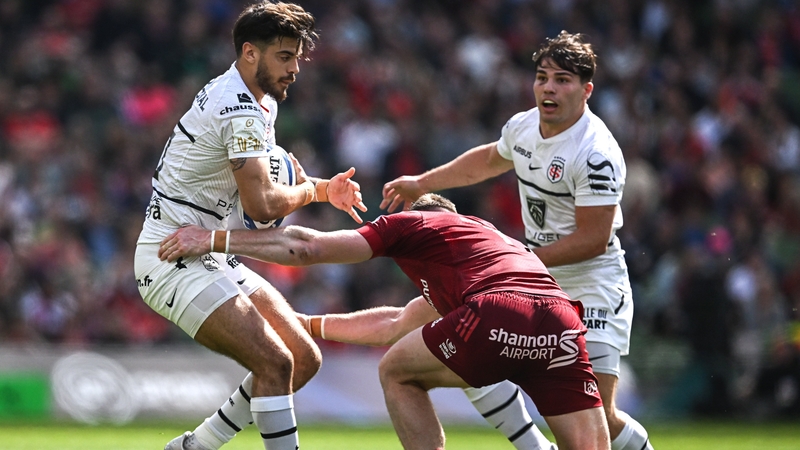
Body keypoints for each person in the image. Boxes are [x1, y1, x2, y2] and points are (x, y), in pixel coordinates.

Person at [158, 193, 611, 450]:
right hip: (560, 318)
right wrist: (304, 325)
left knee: (397, 371)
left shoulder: (412, 228)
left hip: (496, 310)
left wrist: (213, 238)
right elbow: (394, 322)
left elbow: (308, 247)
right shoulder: (483, 240)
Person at [379, 31, 653, 450]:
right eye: (543, 77)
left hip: (592, 285)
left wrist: (521, 256)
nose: (549, 87)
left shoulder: (596, 153)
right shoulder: (523, 127)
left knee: (599, 416)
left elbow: (594, 240)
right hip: (537, 281)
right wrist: (422, 182)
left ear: (586, 90)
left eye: (563, 79)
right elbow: (487, 160)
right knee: (465, 340)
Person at [133, 3, 367, 450]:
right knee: (275, 362)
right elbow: (262, 206)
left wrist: (319, 188)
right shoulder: (237, 107)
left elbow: (266, 184)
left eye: (297, 57)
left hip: (208, 249)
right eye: (285, 56)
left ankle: (193, 447)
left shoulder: (256, 101)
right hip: (171, 257)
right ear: (249, 53)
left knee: (303, 357)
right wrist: (312, 193)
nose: (295, 69)